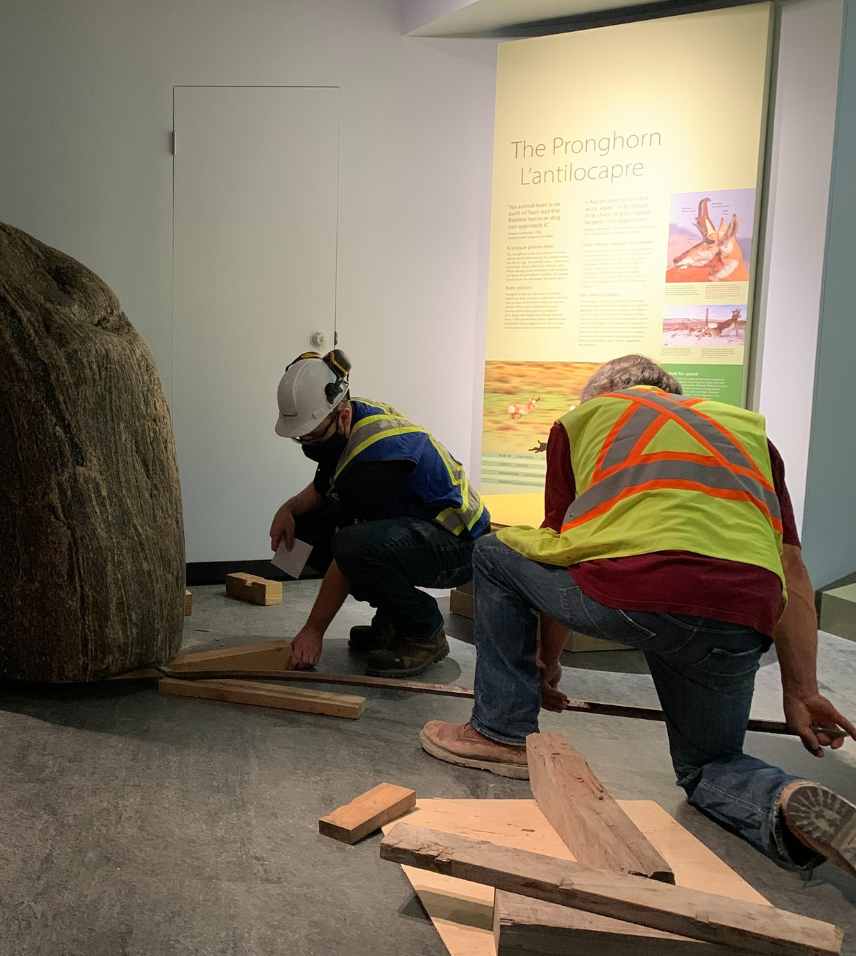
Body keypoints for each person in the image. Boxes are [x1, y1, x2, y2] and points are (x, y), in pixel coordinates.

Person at [421, 355, 856, 879]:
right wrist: (801, 690)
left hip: (640, 593)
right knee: (707, 764)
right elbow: (793, 569)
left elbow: (561, 548)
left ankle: (501, 732)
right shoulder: (751, 437)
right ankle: (784, 802)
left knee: (494, 554)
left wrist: (546, 662)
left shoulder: (586, 422)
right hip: (742, 615)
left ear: (600, 394)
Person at [271, 349, 490, 677]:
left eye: (313, 436)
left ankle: (424, 632)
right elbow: (323, 488)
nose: (307, 445)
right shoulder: (348, 418)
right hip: (419, 527)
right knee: (304, 529)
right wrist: (287, 509)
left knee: (351, 546)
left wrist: (313, 630)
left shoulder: (374, 461)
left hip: (460, 544)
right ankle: (394, 619)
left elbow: (347, 556)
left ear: (341, 417)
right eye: (300, 438)